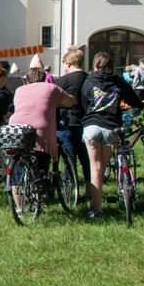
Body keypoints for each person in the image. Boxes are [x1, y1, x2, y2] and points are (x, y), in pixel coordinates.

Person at [81, 52, 144, 221]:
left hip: (92, 126)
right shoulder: (117, 80)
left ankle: (96, 209)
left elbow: (84, 101)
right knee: (102, 166)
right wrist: (141, 104)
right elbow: (132, 98)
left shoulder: (89, 80)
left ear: (95, 64)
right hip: (112, 127)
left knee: (95, 168)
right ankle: (102, 201)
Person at [8, 67, 76, 189]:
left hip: (16, 126)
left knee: (19, 157)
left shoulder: (19, 89)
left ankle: (17, 201)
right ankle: (39, 186)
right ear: (44, 78)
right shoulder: (51, 88)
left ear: (27, 79)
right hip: (40, 128)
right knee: (41, 158)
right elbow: (71, 101)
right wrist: (56, 103)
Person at [54, 46, 91, 199]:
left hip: (67, 123)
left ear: (68, 63)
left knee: (69, 159)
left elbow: (53, 101)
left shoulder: (63, 80)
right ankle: (90, 191)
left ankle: (69, 192)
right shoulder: (90, 78)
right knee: (87, 160)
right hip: (87, 123)